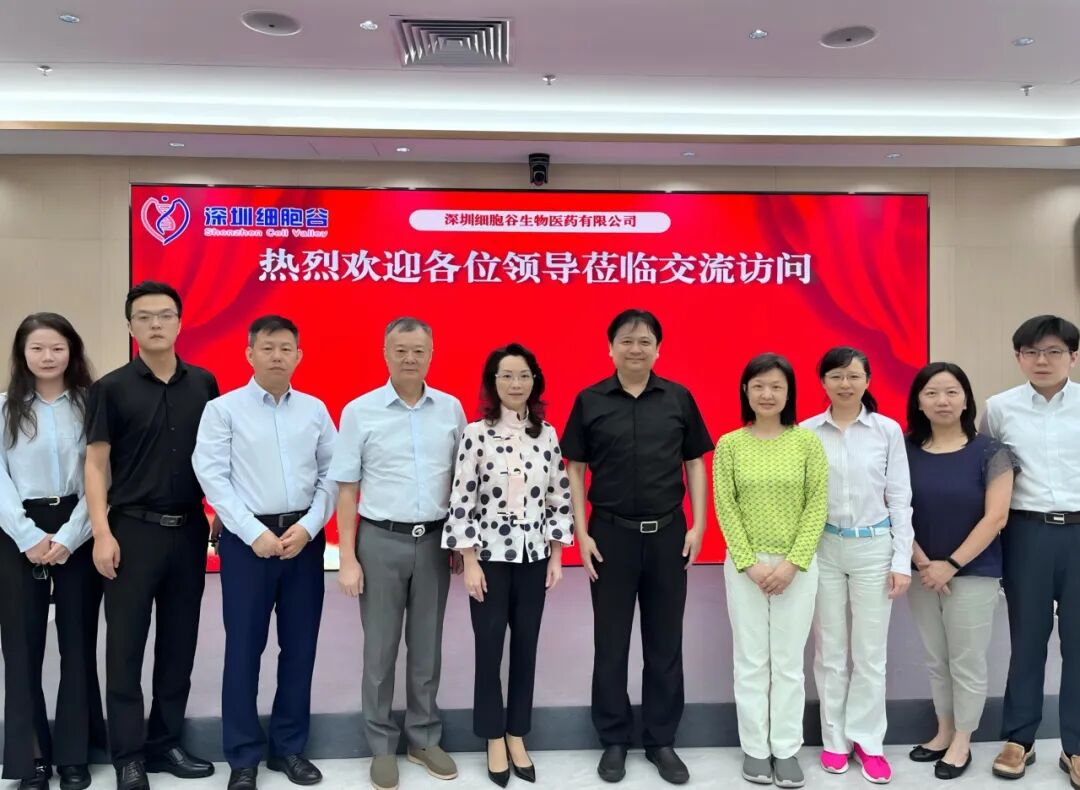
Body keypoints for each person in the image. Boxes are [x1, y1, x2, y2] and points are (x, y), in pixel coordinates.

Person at [562, 309, 712, 786]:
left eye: (645, 341)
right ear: (610, 348)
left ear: (658, 349)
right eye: (626, 341)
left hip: (668, 534)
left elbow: (694, 462)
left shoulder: (678, 398)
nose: (635, 348)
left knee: (665, 643)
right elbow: (575, 470)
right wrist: (581, 533)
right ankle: (614, 738)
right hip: (609, 536)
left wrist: (699, 525)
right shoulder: (590, 401)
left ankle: (661, 739)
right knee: (611, 644)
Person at [85, 281, 220, 790]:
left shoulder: (204, 383)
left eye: (165, 315)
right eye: (144, 316)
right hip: (131, 532)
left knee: (178, 645)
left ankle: (165, 745)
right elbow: (95, 465)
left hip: (188, 530)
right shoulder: (111, 388)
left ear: (180, 322)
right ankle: (129, 756)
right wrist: (101, 532)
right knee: (124, 648)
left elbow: (216, 456)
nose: (155, 324)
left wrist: (218, 510)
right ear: (130, 326)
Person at [193, 315, 337, 790]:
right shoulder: (223, 410)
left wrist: (310, 526)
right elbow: (212, 475)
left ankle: (289, 748)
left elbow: (332, 474)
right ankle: (243, 756)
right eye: (268, 348)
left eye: (286, 349)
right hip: (245, 544)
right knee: (243, 649)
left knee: (300, 648)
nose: (277, 356)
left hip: (303, 543)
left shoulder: (315, 410)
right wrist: (253, 531)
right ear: (249, 354)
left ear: (299, 356)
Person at [329, 317, 466, 790]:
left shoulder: (450, 409)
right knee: (380, 649)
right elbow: (347, 490)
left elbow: (462, 483)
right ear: (385, 354)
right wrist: (348, 557)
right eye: (400, 350)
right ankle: (382, 745)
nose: (410, 358)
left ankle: (424, 738)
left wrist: (460, 541)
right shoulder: (359, 411)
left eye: (419, 350)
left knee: (427, 648)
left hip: (435, 542)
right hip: (380, 541)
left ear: (432, 354)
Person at [444, 343, 573, 787]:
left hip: (534, 558)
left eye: (523, 376)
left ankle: (517, 733)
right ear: (493, 382)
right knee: (489, 647)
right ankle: (492, 736)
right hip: (489, 560)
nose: (515, 384)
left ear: (535, 381)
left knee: (526, 647)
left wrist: (557, 555)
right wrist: (469, 561)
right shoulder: (476, 434)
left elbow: (558, 495)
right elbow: (462, 498)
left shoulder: (547, 434)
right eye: (506, 376)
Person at [713, 353, 828, 789]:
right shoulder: (729, 444)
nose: (767, 394)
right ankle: (756, 749)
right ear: (746, 390)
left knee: (788, 663)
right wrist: (750, 563)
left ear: (788, 392)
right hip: (746, 568)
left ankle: (786, 748)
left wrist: (792, 563)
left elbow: (817, 504)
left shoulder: (806, 443)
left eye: (776, 386)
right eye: (759, 385)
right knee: (750, 661)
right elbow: (726, 506)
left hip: (797, 566)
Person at [0, 313, 105, 790]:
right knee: (22, 648)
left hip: (78, 530)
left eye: (57, 348)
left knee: (78, 645)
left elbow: (101, 474)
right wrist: (28, 537)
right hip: (16, 533)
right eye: (37, 348)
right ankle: (33, 758)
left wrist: (69, 537)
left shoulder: (90, 404)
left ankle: (74, 755)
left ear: (72, 351)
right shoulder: (5, 408)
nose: (48, 357)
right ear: (22, 354)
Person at [802, 347, 913, 784]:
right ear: (823, 382)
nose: (845, 384)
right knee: (829, 651)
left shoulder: (887, 430)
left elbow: (900, 498)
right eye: (836, 376)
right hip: (824, 548)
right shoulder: (807, 432)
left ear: (867, 380)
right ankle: (834, 741)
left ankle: (868, 741)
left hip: (874, 548)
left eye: (853, 376)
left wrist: (901, 559)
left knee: (870, 653)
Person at [903, 362, 1015, 780]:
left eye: (952, 392)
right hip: (921, 572)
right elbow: (893, 510)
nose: (942, 401)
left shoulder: (990, 452)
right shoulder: (903, 450)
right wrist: (922, 562)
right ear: (918, 401)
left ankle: (963, 740)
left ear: (966, 399)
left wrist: (949, 566)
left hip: (972, 572)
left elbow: (996, 517)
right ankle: (943, 731)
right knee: (937, 658)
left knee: (966, 660)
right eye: (932, 393)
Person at [982, 315, 1080, 788]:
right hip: (1026, 533)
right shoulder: (999, 408)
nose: (1042, 360)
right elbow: (990, 473)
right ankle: (1019, 738)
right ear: (1018, 357)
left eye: (1054, 351)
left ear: (1073, 357)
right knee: (1027, 640)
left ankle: (1075, 746)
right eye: (1032, 352)